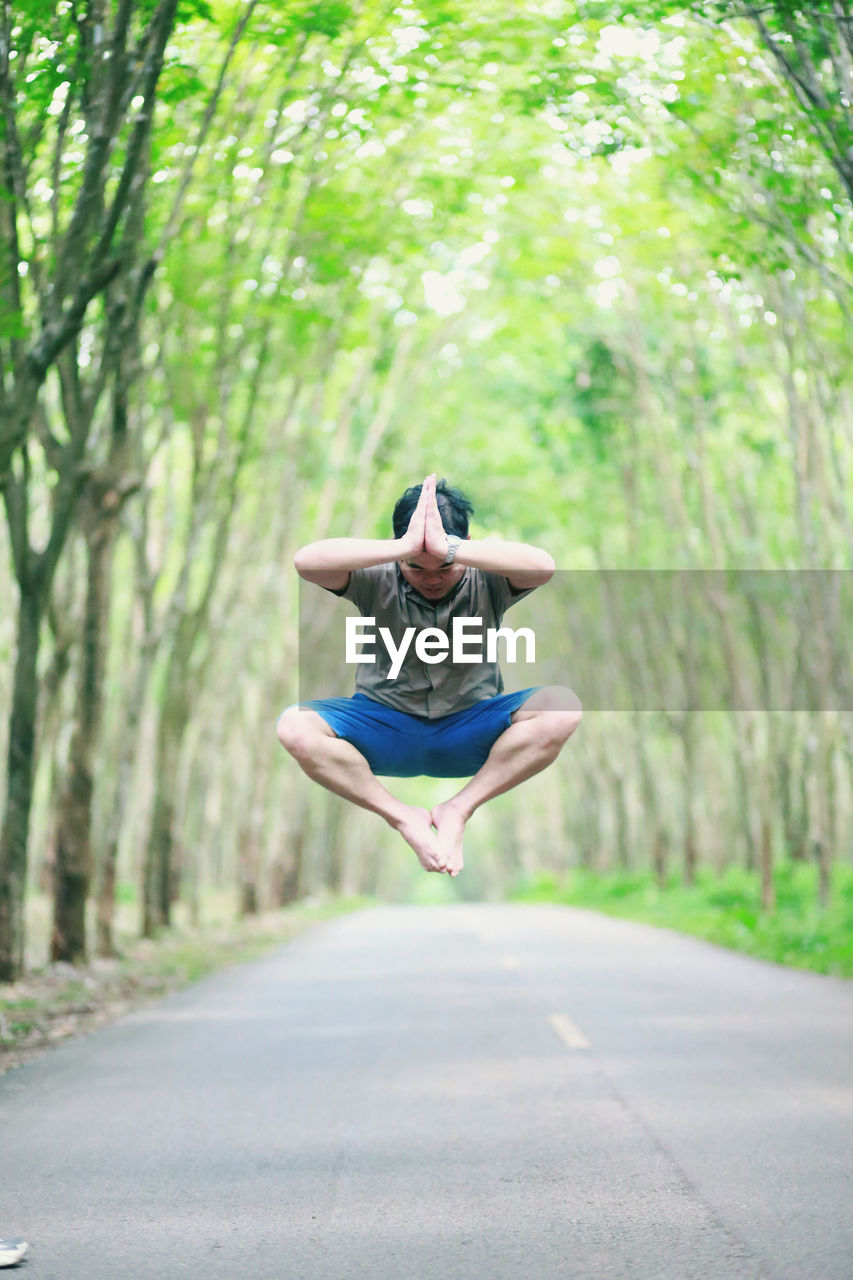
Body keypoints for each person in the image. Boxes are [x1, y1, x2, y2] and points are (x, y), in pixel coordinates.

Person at [277, 474, 581, 876]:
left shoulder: (489, 578)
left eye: (445, 566)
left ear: (464, 549)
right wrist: (403, 546)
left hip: (469, 729)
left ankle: (459, 808)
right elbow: (305, 562)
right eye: (416, 567)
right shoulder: (375, 577)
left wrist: (448, 548)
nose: (433, 577)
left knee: (563, 707)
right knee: (294, 727)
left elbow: (544, 567)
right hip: (385, 728)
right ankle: (403, 818)